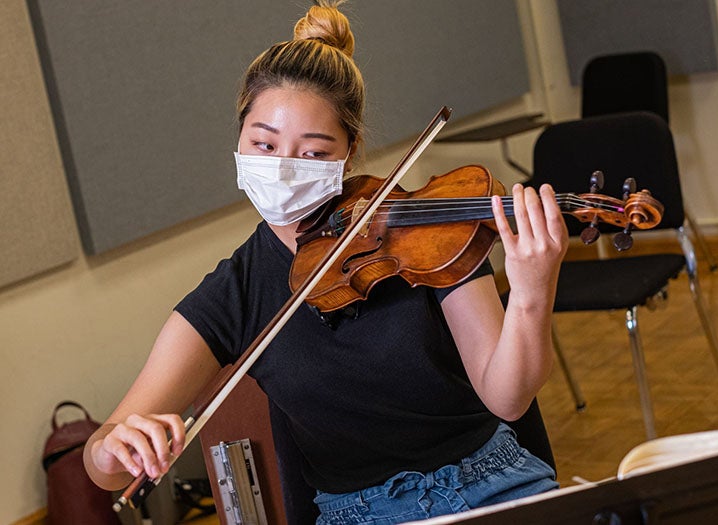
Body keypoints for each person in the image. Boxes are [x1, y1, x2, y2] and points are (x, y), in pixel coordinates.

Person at [83, 1, 568, 523]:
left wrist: (532, 292)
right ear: (240, 141)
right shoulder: (237, 291)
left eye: (313, 153)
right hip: (360, 514)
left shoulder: (422, 228)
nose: (284, 169)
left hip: (491, 484)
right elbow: (103, 461)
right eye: (264, 144)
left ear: (349, 151)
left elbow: (509, 398)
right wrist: (116, 447)